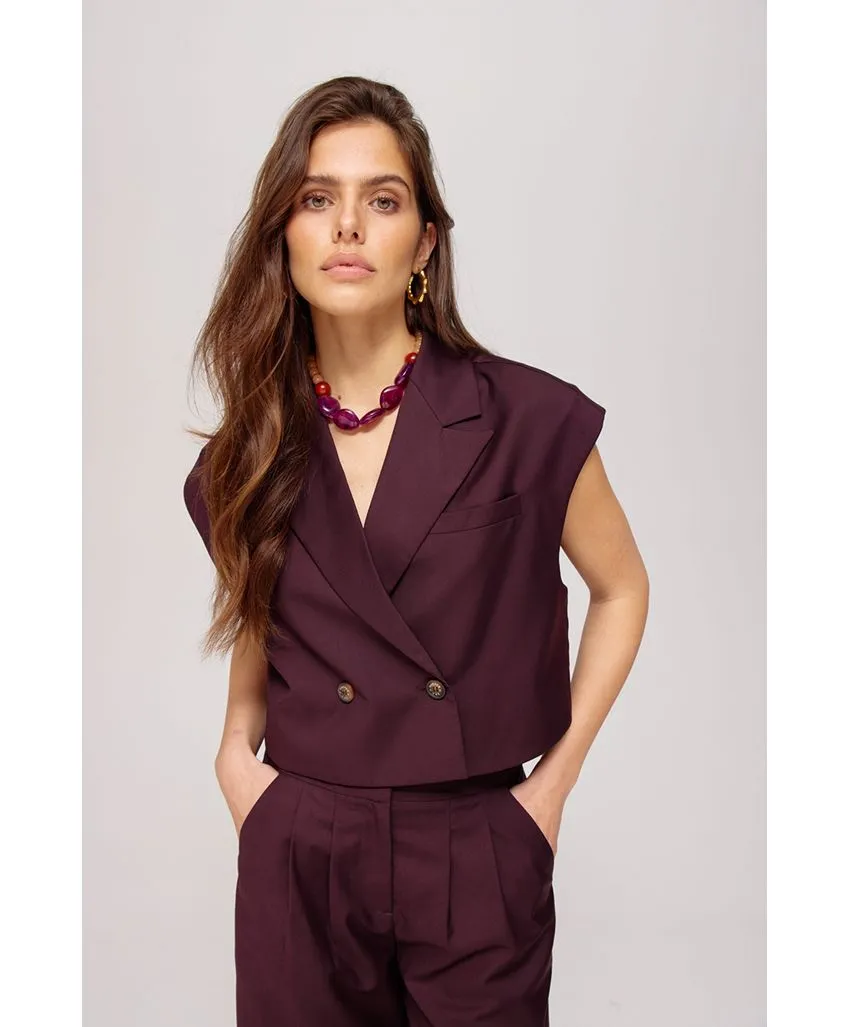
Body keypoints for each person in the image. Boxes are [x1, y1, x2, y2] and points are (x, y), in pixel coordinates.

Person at [183, 74, 649, 1027]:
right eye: (318, 198)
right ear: (283, 232)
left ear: (426, 242)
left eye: (383, 200)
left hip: (474, 840)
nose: (349, 226)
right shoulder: (248, 451)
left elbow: (623, 588)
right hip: (302, 843)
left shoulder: (529, 418)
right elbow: (261, 615)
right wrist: (237, 755)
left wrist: (549, 789)